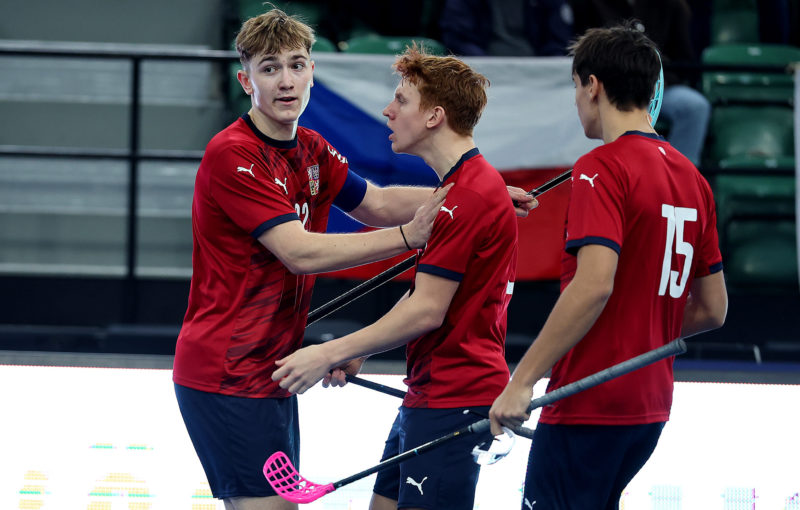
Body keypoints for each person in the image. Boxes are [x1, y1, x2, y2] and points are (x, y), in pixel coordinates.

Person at [171, 9, 459, 510]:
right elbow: (300, 252)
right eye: (270, 68)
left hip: (274, 370)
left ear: (312, 72)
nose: (286, 81)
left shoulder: (311, 147)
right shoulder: (233, 154)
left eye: (297, 65)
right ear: (246, 81)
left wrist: (477, 190)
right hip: (227, 374)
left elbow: (377, 202)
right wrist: (409, 238)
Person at [489, 23, 728, 510]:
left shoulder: (601, 165)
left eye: (576, 88)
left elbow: (593, 285)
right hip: (650, 407)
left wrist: (522, 380)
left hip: (588, 403)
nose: (576, 101)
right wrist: (641, 329)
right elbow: (713, 310)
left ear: (593, 85)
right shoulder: (693, 178)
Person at [272, 45, 519, 510]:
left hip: (453, 399)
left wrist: (328, 351)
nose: (388, 110)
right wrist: (360, 350)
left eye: (402, 100)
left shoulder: (469, 197)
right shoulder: (461, 192)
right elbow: (422, 294)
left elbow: (428, 309)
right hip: (429, 393)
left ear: (434, 117)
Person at [569, 0, 711, 166]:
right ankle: (605, 167)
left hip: (659, 87)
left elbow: (683, 61)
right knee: (595, 104)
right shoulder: (589, 5)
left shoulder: (673, 6)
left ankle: (681, 170)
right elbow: (584, 59)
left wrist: (650, 80)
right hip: (608, 88)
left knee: (695, 106)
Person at [440, 0, 573, 57]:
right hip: (482, 74)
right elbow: (457, 38)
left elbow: (558, 42)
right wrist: (490, 68)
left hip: (537, 74)